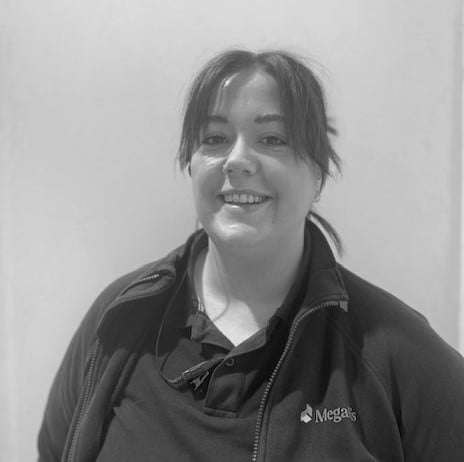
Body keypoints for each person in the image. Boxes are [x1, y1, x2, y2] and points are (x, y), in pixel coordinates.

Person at [38, 49, 464, 462]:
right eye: (215, 139)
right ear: (191, 165)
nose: (237, 160)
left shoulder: (395, 351)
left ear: (318, 174)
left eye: (272, 139)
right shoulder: (119, 319)